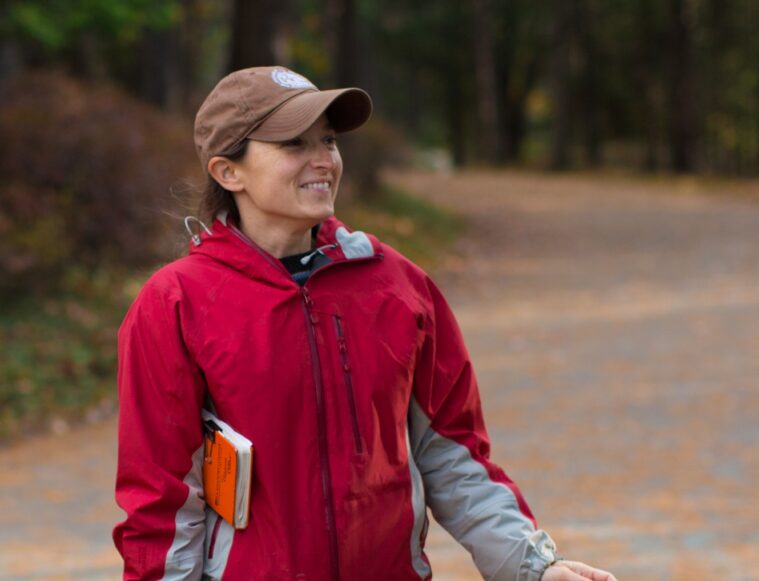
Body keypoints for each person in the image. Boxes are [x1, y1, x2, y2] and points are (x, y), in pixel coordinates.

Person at [113, 66, 618, 581]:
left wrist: (532, 567)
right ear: (228, 172)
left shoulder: (398, 286)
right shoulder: (175, 304)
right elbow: (162, 502)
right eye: (293, 143)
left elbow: (452, 456)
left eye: (328, 140)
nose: (323, 160)